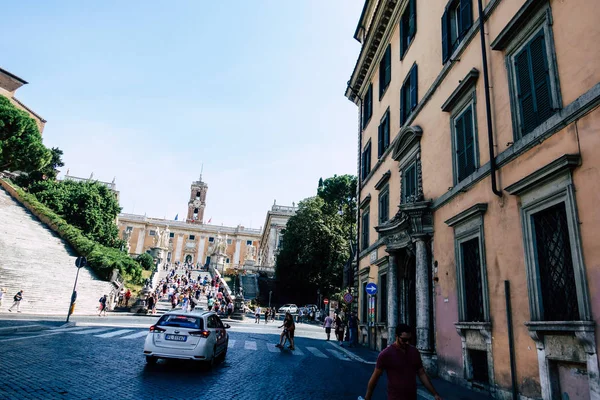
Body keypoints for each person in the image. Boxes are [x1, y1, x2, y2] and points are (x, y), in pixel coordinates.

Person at [363, 324, 442, 400]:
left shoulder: (414, 352)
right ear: (396, 336)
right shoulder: (385, 354)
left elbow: (422, 374)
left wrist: (435, 394)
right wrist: (367, 397)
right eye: (404, 340)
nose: (407, 343)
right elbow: (375, 378)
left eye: (409, 340)